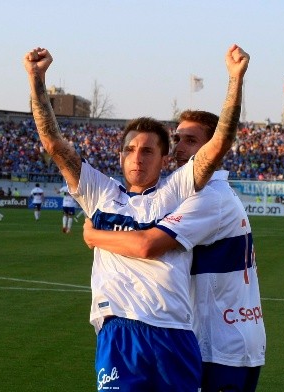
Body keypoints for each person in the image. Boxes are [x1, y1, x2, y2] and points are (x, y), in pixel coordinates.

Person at [24, 43, 247, 390]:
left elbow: (218, 145)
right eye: (130, 149)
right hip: (120, 334)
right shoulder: (100, 193)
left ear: (164, 158)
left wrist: (235, 79)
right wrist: (36, 79)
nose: (137, 158)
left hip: (174, 336)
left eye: (147, 150)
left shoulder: (177, 191)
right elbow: (54, 144)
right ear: (120, 156)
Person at [83, 110, 266, 391]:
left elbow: (147, 244)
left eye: (191, 141)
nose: (180, 148)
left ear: (213, 149)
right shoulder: (211, 193)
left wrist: (95, 235)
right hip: (233, 337)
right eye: (178, 139)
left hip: (219, 344)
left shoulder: (208, 197)